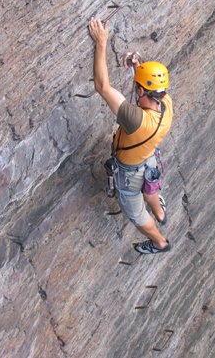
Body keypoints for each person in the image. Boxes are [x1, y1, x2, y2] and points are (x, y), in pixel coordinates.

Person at [88, 17, 173, 255]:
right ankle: (160, 212)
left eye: (137, 86)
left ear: (141, 90)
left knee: (137, 215)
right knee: (151, 188)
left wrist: (101, 43)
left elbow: (103, 87)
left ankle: (160, 242)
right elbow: (151, 88)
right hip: (149, 160)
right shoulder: (167, 102)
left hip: (130, 174)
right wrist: (138, 67)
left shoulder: (136, 120)